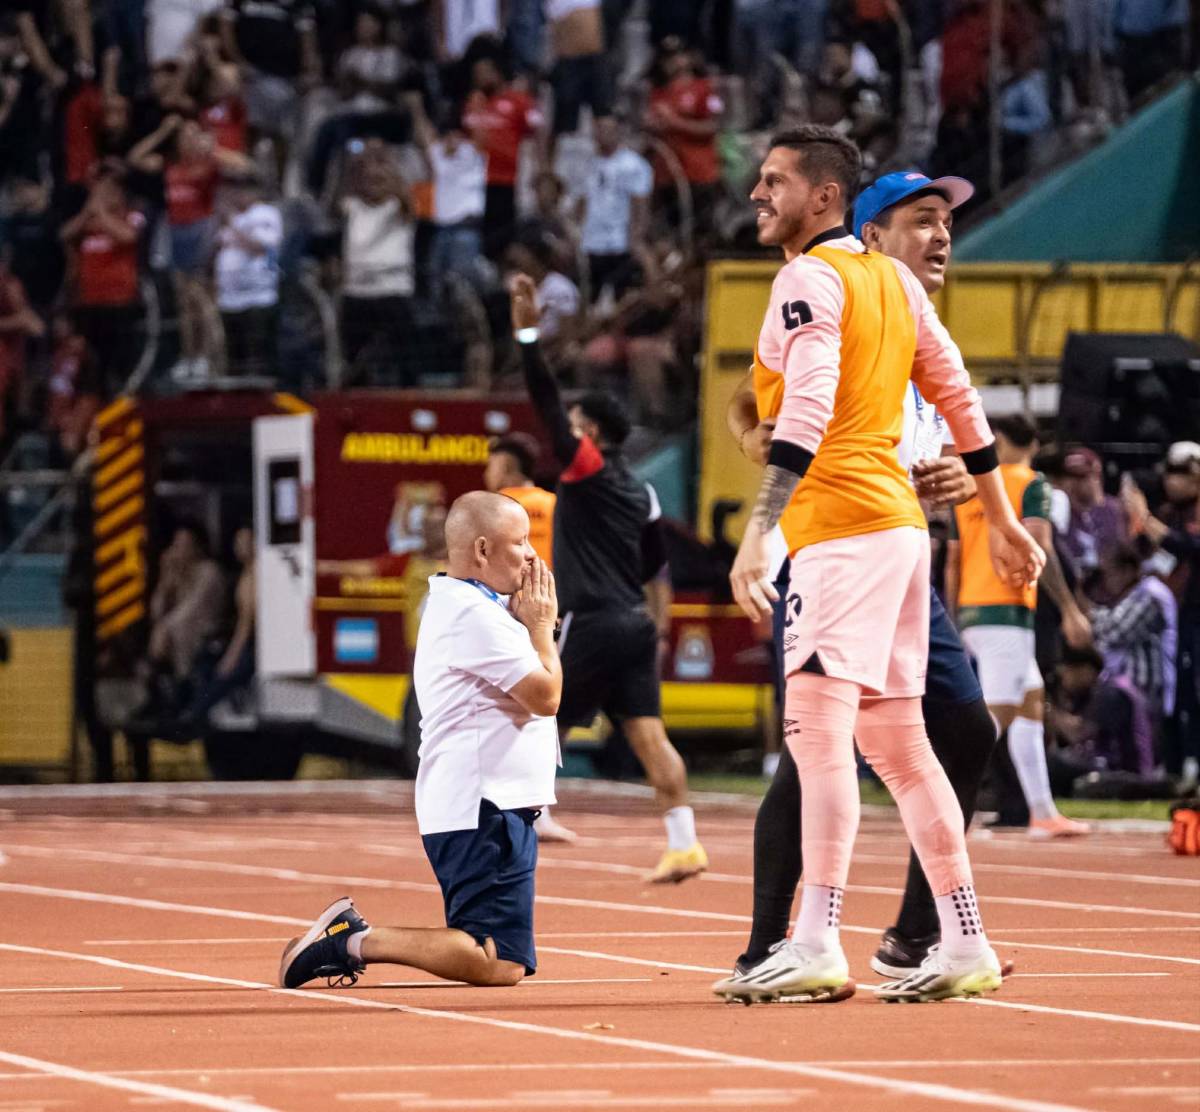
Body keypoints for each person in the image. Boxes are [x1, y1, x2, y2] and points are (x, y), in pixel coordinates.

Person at [718, 126, 1045, 1005]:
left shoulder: (808, 278)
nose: (758, 194)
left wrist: (760, 529)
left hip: (840, 530)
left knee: (817, 737)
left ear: (823, 196)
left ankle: (814, 938)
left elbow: (809, 403)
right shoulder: (892, 282)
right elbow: (959, 395)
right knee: (902, 746)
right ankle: (963, 940)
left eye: (774, 180)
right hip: (900, 533)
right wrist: (1001, 519)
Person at [280, 491, 561, 990]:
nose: (532, 555)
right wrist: (541, 631)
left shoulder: (476, 604)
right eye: (520, 542)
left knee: (500, 959)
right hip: (484, 805)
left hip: (490, 803)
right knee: (495, 958)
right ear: (482, 549)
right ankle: (352, 940)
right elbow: (546, 696)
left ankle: (352, 938)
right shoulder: (472, 614)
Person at [510, 274, 707, 882]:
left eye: (573, 425)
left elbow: (545, 402)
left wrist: (527, 336)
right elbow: (654, 567)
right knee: (649, 736)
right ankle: (684, 842)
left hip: (591, 619)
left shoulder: (586, 467)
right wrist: (657, 623)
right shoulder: (643, 492)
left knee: (536, 714)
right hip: (634, 623)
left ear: (590, 434)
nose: (564, 432)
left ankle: (527, 820)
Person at [947, 414, 1091, 839]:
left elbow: (952, 560)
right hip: (1006, 611)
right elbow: (1040, 545)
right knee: (996, 715)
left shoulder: (971, 485)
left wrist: (954, 617)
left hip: (974, 611)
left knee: (1029, 706)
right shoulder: (1031, 483)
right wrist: (1069, 608)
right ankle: (947, 810)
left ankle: (1042, 812)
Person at [214, 170, 282, 377]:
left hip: (258, 297)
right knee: (235, 357)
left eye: (243, 189)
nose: (238, 194)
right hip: (229, 298)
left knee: (259, 356)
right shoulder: (231, 218)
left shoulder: (264, 213)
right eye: (235, 189)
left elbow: (260, 247)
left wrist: (231, 223)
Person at [484, 433, 555, 566]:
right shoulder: (554, 504)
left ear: (504, 467)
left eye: (490, 466)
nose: (486, 474)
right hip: (550, 578)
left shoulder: (490, 509)